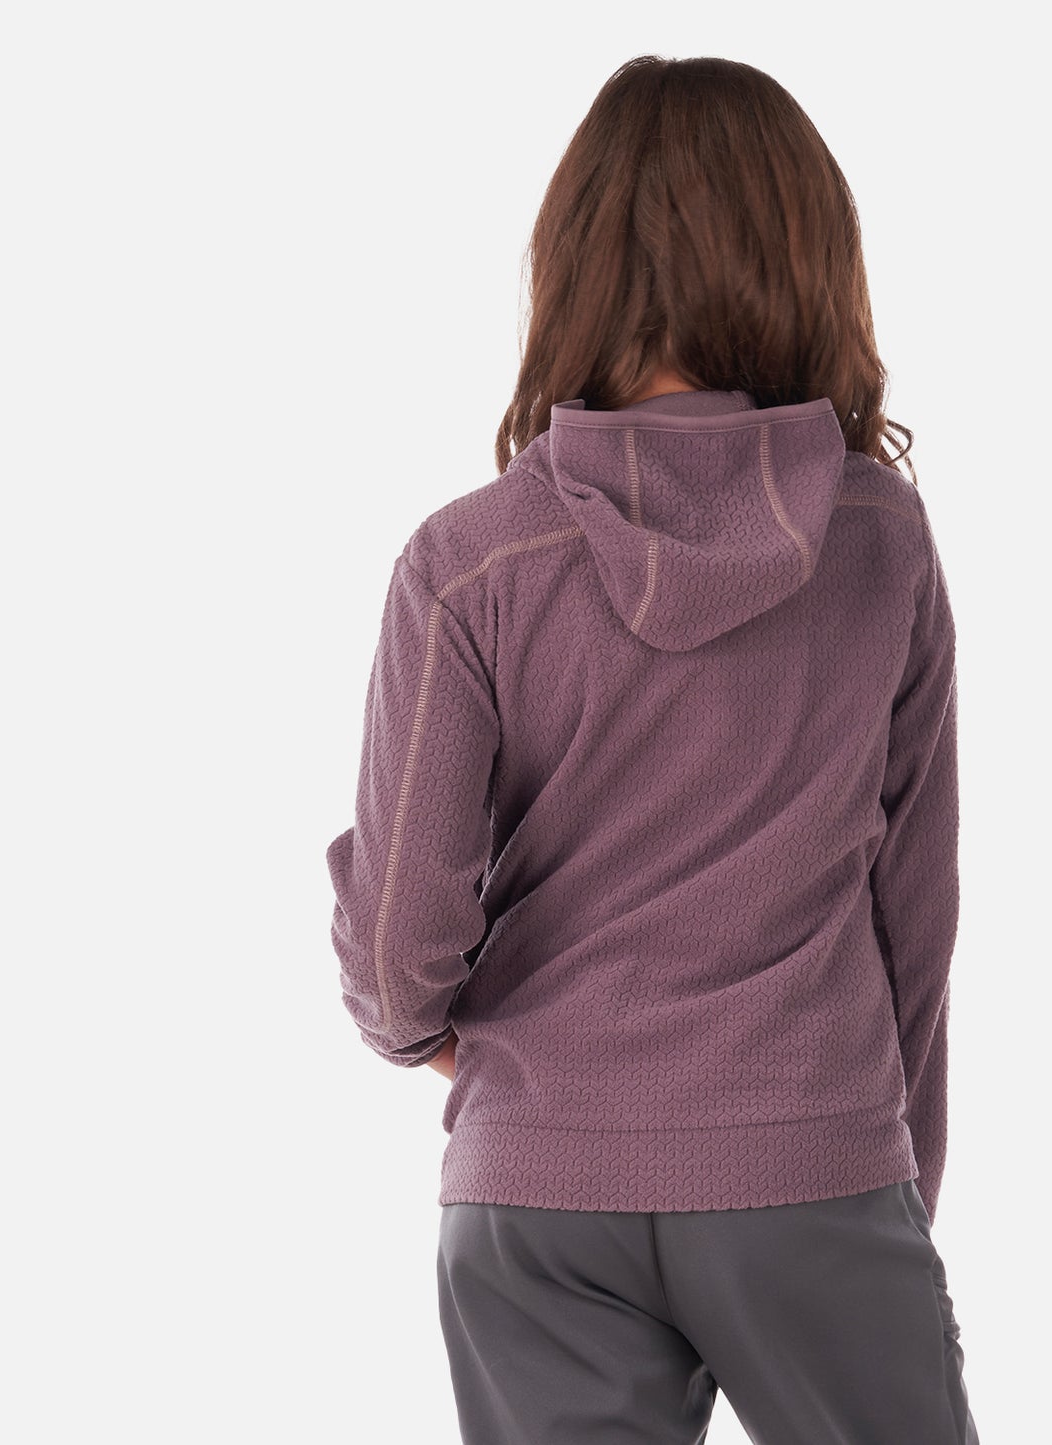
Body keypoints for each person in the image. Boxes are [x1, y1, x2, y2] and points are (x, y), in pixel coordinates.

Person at [325, 52, 979, 1445]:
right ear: (811, 259)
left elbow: (394, 946)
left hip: (536, 1192)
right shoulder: (879, 541)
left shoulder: (468, 565)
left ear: (569, 267)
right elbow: (914, 911)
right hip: (813, 1159)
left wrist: (449, 1048)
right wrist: (896, 1178)